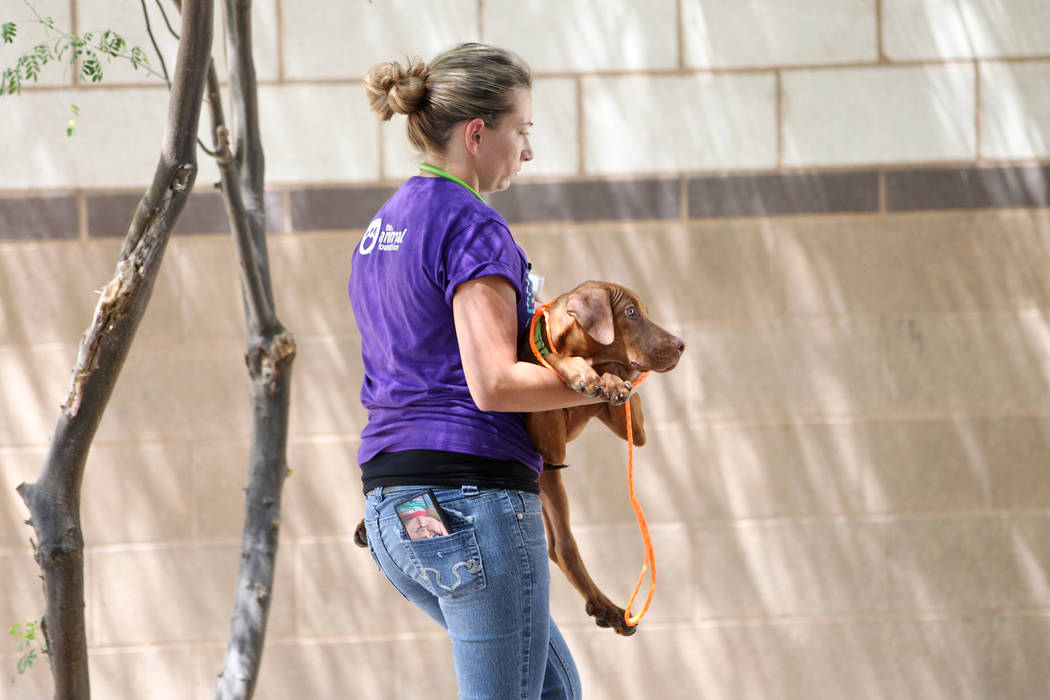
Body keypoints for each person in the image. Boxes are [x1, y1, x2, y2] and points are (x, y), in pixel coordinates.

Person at [348, 42, 615, 699]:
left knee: (556, 691)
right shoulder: (473, 225)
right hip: (472, 506)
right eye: (522, 131)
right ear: (477, 133)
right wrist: (606, 379)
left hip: (395, 512)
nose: (528, 151)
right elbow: (492, 383)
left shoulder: (383, 228)